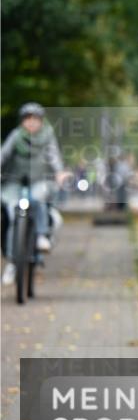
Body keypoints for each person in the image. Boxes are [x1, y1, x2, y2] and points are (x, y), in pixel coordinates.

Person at [1, 103, 72, 285]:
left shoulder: (47, 136)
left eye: (35, 119)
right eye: (28, 119)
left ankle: (41, 235)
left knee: (38, 199)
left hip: (38, 181)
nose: (31, 122)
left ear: (41, 121)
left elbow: (54, 156)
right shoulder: (16, 136)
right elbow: (4, 154)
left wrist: (59, 172)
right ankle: (12, 260)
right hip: (15, 182)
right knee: (11, 212)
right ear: (22, 121)